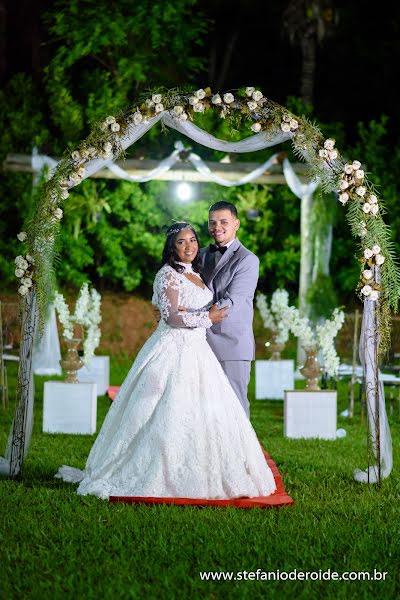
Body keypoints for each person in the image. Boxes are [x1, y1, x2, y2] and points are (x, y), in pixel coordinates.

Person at [55, 222, 276, 501]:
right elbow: (171, 318)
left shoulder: (195, 273)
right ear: (172, 247)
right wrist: (208, 317)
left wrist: (195, 312)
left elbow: (186, 309)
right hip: (173, 348)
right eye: (181, 242)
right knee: (161, 407)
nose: (189, 246)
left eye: (193, 240)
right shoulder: (168, 275)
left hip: (198, 349)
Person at [199, 201, 259, 418]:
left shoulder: (248, 259)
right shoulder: (200, 255)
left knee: (235, 405)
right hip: (200, 341)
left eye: (223, 222)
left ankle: (243, 452)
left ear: (236, 224)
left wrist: (193, 317)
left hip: (232, 342)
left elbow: (232, 301)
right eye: (212, 222)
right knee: (204, 404)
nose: (217, 227)